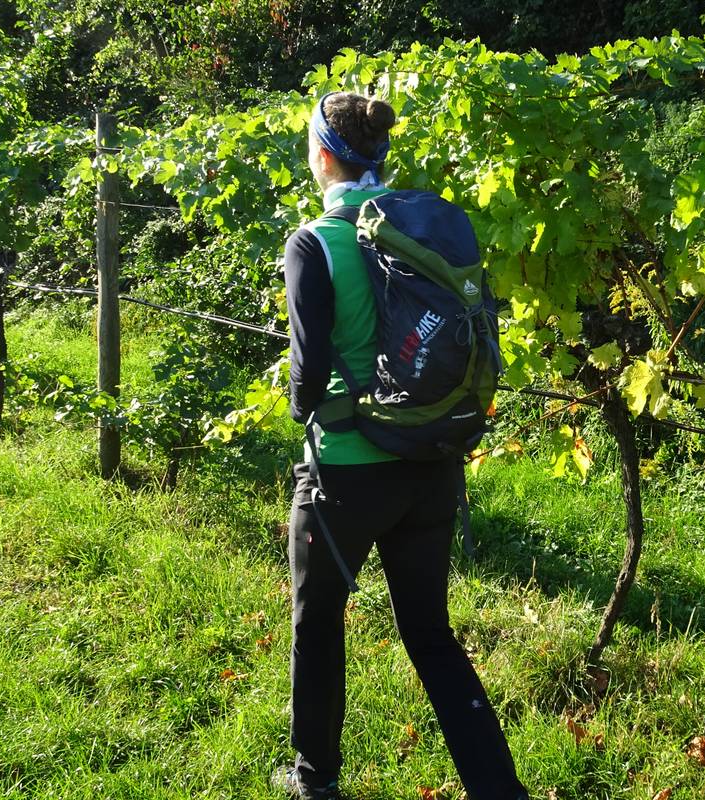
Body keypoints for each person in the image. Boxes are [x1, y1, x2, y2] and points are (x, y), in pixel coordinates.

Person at [273, 90, 530, 800]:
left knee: (318, 622)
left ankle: (315, 778)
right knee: (431, 636)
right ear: (377, 156)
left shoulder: (314, 244)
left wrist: (304, 392)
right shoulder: (417, 231)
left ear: (322, 156)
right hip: (429, 467)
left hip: (347, 478)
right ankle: (499, 790)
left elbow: (305, 385)